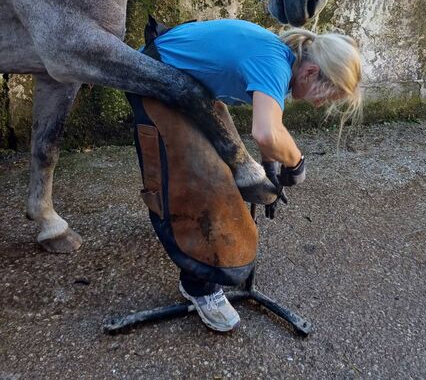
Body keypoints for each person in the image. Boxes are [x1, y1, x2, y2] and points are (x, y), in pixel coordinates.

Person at [138, 18, 362, 332]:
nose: (319, 104)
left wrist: (269, 169)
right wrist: (296, 164)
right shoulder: (274, 64)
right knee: (208, 186)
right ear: (310, 72)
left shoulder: (280, 58)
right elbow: (267, 133)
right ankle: (198, 285)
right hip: (155, 75)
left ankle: (187, 238)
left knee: (229, 169)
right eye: (324, 95)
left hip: (188, 85)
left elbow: (270, 129)